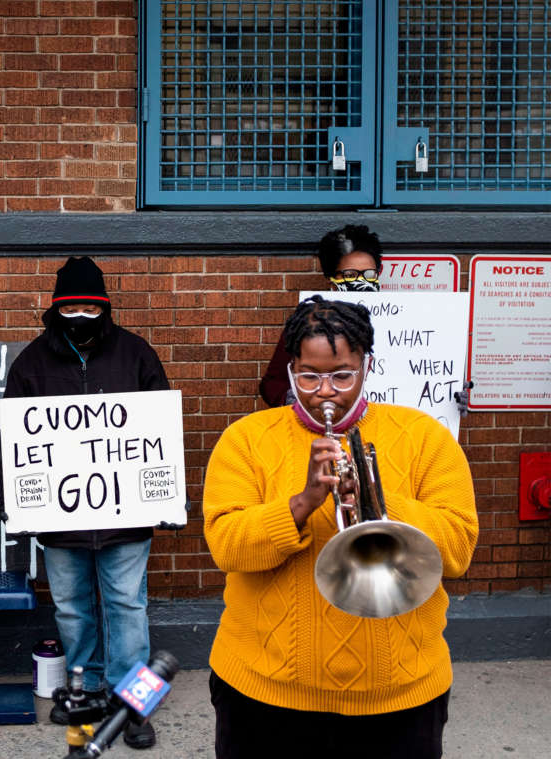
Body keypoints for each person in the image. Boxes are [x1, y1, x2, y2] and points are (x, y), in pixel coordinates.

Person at [203, 295, 478, 759]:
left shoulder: (424, 436)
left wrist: (378, 496)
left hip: (399, 696)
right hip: (263, 692)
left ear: (366, 367)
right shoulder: (245, 440)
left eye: (342, 375)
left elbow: (457, 551)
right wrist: (303, 503)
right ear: (290, 370)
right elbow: (227, 547)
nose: (325, 391)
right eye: (309, 376)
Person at [3, 256, 170, 750]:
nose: (79, 314)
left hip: (127, 515)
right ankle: (84, 690)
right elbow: (15, 440)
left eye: (89, 306)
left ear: (104, 307)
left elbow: (158, 427)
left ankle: (133, 703)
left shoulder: (137, 355)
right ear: (56, 309)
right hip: (61, 519)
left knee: (127, 608)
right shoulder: (31, 363)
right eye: (70, 306)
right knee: (74, 610)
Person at [259, 224, 383, 407]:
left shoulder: (403, 318)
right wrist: (299, 401)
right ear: (331, 277)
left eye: (369, 274)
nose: (360, 281)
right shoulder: (307, 323)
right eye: (349, 274)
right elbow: (272, 384)